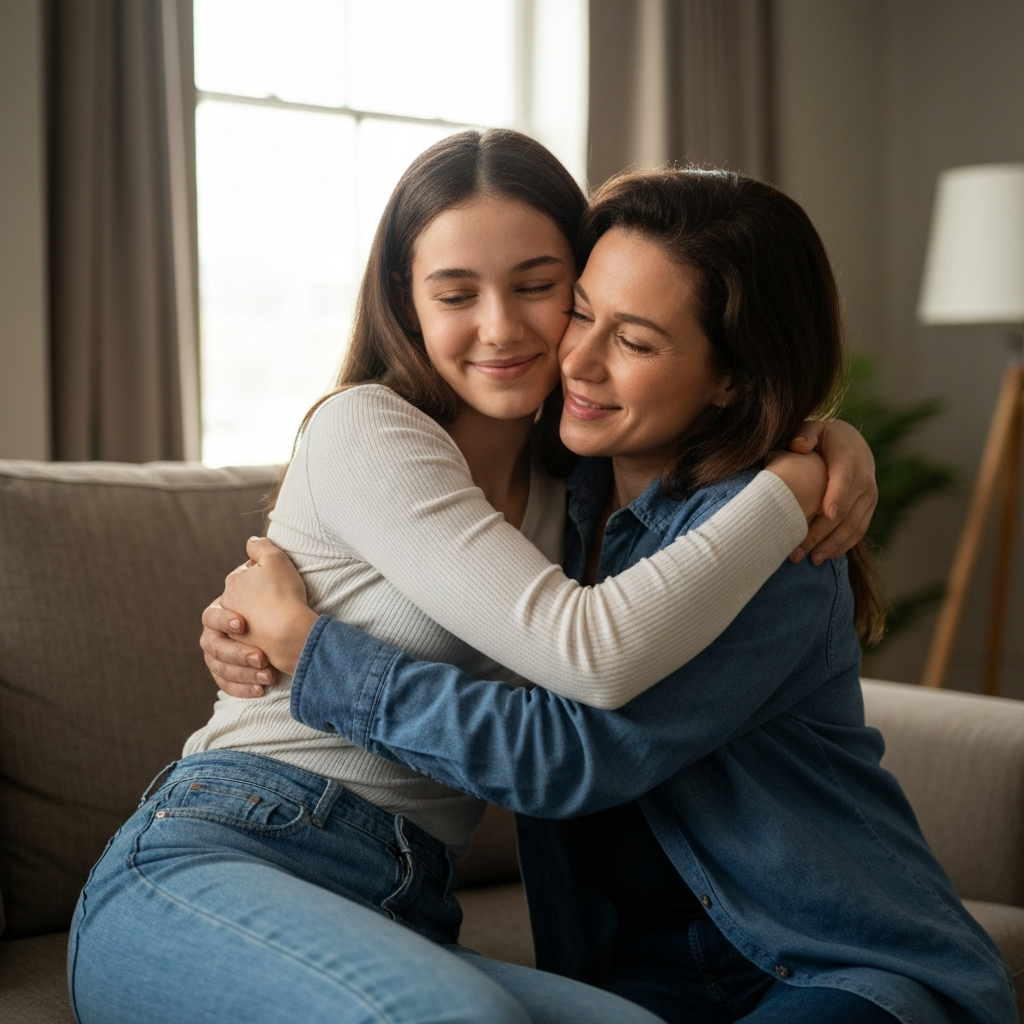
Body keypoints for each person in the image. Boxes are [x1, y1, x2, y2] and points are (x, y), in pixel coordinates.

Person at [69, 132, 876, 1024]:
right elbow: (588, 652)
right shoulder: (366, 429)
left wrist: (825, 440)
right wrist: (787, 489)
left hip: (405, 897)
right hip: (232, 848)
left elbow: (718, 425)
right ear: (406, 307)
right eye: (456, 294)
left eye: (541, 289)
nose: (502, 327)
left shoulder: (582, 489)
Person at [203, 167, 1017, 1024]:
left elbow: (564, 758)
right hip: (627, 975)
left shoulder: (771, 551)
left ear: (734, 378)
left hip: (832, 965)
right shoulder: (552, 498)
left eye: (635, 341)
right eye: (582, 311)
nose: (579, 360)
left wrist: (315, 653)